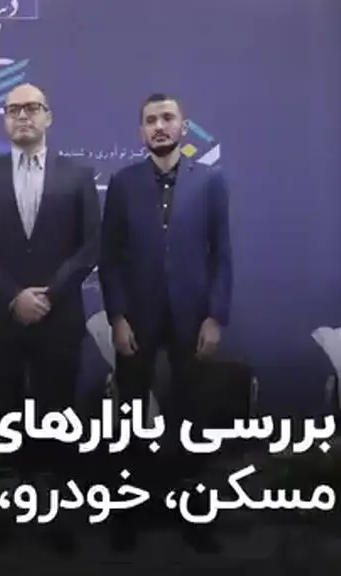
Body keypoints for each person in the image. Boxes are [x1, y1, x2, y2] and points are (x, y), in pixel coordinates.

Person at [0, 83, 100, 555]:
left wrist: (48, 294)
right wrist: (13, 296)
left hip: (58, 317)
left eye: (32, 108)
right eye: (13, 109)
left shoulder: (78, 175)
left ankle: (51, 516)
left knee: (54, 414)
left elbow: (90, 245)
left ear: (48, 117)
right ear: (4, 120)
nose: (22, 116)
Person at [98, 93, 232, 553]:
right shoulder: (123, 183)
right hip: (136, 319)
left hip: (193, 319)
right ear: (141, 131)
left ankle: (195, 517)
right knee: (129, 419)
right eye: (151, 120)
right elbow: (110, 258)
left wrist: (216, 316)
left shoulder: (210, 181)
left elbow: (222, 255)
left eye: (167, 118)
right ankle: (126, 517)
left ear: (183, 127)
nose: (159, 126)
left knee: (191, 418)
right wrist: (116, 316)